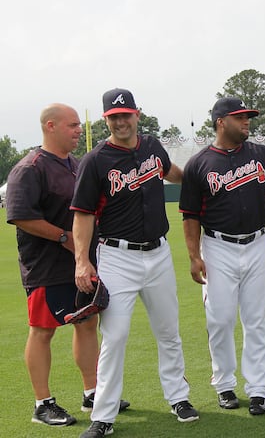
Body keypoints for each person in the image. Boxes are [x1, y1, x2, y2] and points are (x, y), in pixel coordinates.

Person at [72, 88, 198, 438]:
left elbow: (171, 172)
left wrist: (199, 179)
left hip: (158, 254)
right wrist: (82, 261)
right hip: (116, 256)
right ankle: (104, 416)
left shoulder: (152, 146)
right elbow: (82, 216)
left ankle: (179, 398)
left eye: (125, 114)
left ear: (137, 114)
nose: (121, 121)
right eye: (114, 117)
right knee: (115, 336)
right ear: (106, 120)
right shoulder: (95, 160)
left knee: (168, 331)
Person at [6, 103, 129, 428]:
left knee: (86, 324)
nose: (78, 130)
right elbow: (20, 215)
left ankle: (93, 393)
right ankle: (42, 404)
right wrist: (65, 238)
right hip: (47, 267)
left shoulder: (77, 164)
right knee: (43, 330)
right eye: (72, 125)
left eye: (78, 125)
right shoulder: (30, 168)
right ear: (50, 126)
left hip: (83, 262)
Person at [180, 97, 265, 415]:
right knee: (220, 319)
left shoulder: (259, 154)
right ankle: (225, 385)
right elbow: (189, 215)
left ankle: (258, 389)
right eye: (240, 117)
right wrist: (194, 255)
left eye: (248, 117)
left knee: (257, 319)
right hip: (216, 247)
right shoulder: (199, 164)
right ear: (221, 122)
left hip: (257, 243)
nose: (247, 122)